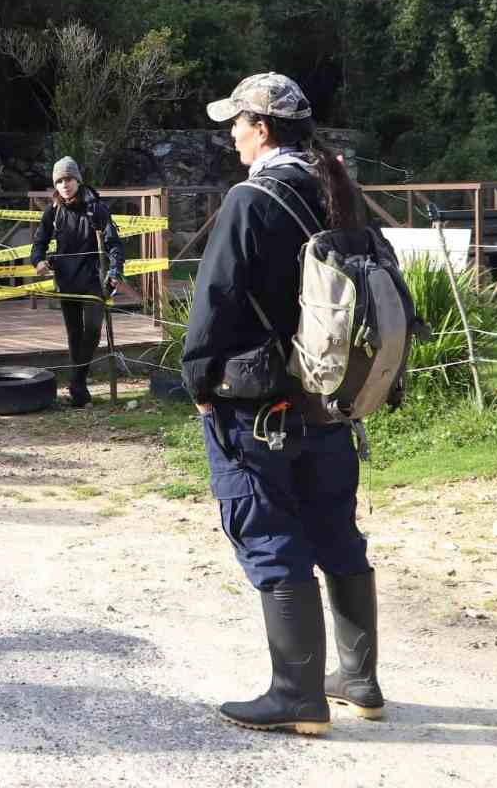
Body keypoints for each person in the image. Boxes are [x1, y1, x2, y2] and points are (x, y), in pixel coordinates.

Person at [179, 73, 381, 735]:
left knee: (270, 534)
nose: (230, 134)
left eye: (235, 122)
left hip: (259, 404)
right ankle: (359, 679)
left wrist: (200, 386)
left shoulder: (250, 200)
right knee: (335, 532)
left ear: (261, 127)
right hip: (330, 400)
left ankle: (298, 695)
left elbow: (214, 304)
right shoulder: (337, 194)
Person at [30, 156, 125, 407]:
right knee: (74, 334)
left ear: (77, 180)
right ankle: (79, 390)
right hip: (66, 279)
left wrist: (114, 272)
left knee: (93, 329)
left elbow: (114, 244)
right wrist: (38, 260)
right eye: (59, 180)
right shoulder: (53, 210)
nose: (64, 184)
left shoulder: (97, 208)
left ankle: (76, 381)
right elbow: (39, 241)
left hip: (93, 278)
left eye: (68, 179)